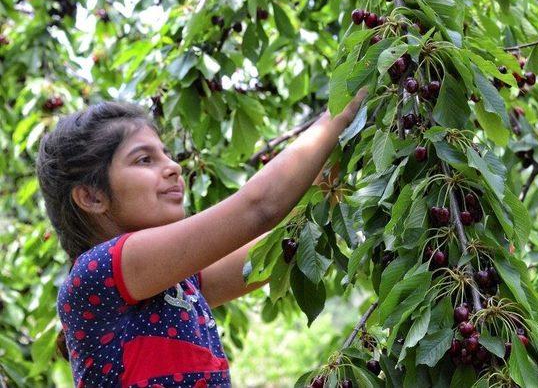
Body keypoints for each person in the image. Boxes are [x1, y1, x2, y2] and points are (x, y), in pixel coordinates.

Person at [35, 88, 367, 388]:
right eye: (144, 159)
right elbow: (260, 208)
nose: (173, 167)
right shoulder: (98, 271)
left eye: (166, 154)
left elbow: (282, 246)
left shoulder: (181, 283)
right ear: (92, 197)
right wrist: (342, 111)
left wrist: (350, 139)